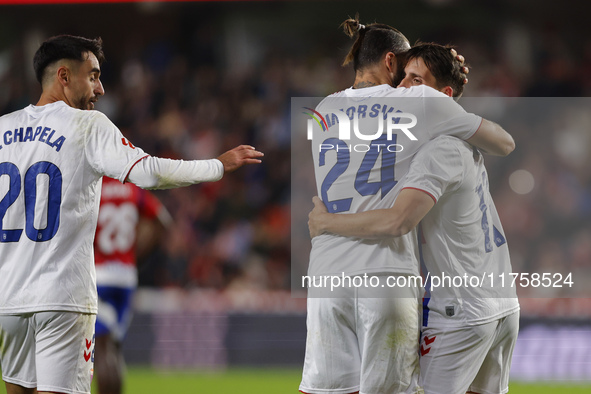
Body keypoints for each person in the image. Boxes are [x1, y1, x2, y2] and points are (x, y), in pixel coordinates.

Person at [0, 35, 263, 394]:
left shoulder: (3, 129)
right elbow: (149, 173)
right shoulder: (87, 125)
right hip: (63, 299)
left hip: (9, 300)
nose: (101, 88)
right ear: (64, 76)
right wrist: (217, 165)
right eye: (92, 75)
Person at [299, 17, 514, 394]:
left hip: (326, 275)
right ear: (389, 61)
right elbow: (503, 142)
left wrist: (326, 223)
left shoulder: (321, 111)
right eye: (404, 68)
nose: (404, 81)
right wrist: (448, 101)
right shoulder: (420, 103)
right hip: (384, 273)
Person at [93, 176, 172, 394]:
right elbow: (162, 220)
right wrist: (135, 255)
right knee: (115, 350)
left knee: (101, 349)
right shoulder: (132, 190)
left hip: (98, 275)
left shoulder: (93, 186)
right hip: (126, 277)